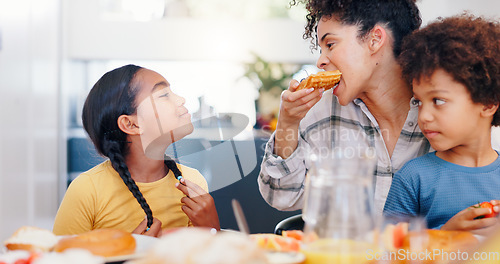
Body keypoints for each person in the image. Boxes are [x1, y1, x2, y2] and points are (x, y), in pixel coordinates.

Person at [258, 0, 429, 217]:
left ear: (375, 39)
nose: (320, 62)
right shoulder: (322, 110)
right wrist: (287, 124)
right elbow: (280, 195)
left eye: (330, 45)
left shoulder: (437, 111)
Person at [53, 65, 220, 237]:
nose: (181, 99)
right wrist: (132, 253)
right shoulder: (86, 190)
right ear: (131, 124)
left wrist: (212, 228)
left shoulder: (193, 182)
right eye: (164, 95)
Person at [383, 14, 500, 234]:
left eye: (438, 100)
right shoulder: (413, 178)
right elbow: (386, 252)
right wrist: (445, 234)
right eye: (418, 101)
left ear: (487, 103)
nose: (424, 116)